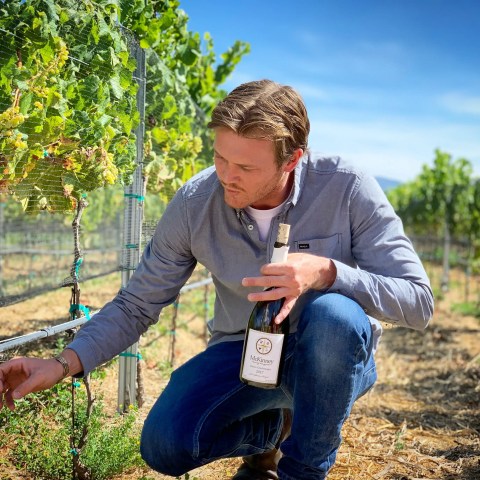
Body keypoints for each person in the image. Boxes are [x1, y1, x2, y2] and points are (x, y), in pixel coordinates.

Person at [0, 79, 433, 480]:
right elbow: (138, 304)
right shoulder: (195, 202)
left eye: (244, 166)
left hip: (331, 357)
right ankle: (271, 432)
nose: (227, 175)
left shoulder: (346, 186)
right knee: (166, 445)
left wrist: (329, 272)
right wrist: (61, 364)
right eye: (220, 157)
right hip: (242, 352)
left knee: (334, 315)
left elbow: (418, 302)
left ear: (293, 159)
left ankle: (302, 469)